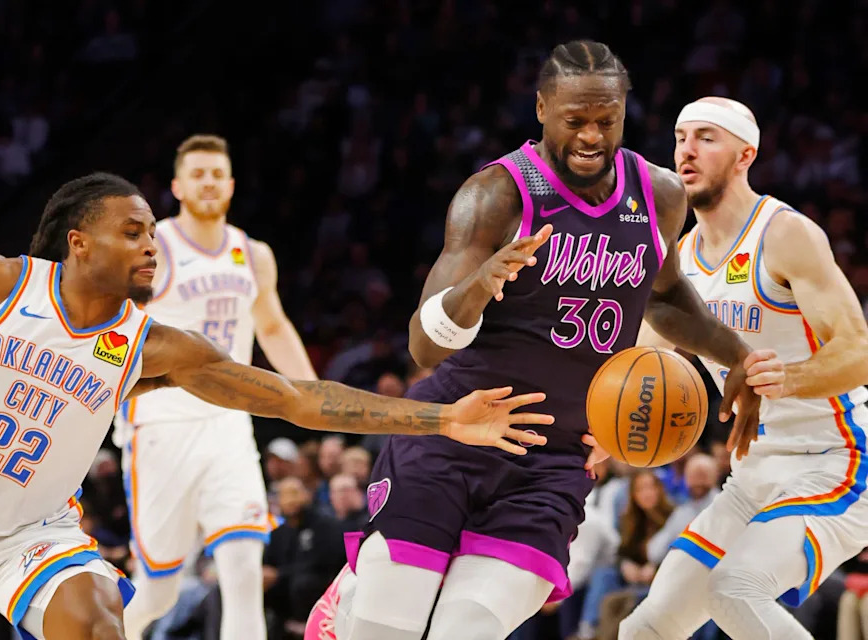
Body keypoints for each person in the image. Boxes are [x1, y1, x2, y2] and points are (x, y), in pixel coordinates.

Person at [0, 172, 551, 640]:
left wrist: (444, 418)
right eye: (131, 233)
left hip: (29, 534)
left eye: (153, 235)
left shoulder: (152, 346)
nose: (150, 247)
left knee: (100, 623)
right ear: (78, 243)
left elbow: (297, 399)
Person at [306, 40, 762, 640]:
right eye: (576, 121)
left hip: (552, 459)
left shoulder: (658, 194)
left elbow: (670, 297)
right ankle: (357, 593)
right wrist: (476, 288)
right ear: (543, 109)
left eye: (608, 120)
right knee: (387, 630)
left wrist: (740, 358)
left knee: (465, 630)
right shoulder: (496, 194)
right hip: (452, 434)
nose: (593, 136)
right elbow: (423, 347)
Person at [620, 97, 868, 639]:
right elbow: (637, 361)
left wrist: (786, 378)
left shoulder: (784, 234)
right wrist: (598, 430)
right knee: (644, 629)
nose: (687, 149)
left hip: (839, 462)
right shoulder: (680, 262)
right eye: (681, 137)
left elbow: (858, 350)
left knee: (735, 589)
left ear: (744, 154)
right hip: (753, 475)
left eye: (707, 137)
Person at [114, 134, 319, 640]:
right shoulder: (151, 246)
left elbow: (271, 327)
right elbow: (110, 327)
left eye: (216, 174)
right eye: (197, 174)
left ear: (229, 185)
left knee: (244, 568)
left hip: (229, 423)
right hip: (162, 426)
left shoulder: (253, 253)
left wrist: (315, 396)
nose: (207, 182)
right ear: (178, 186)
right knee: (158, 590)